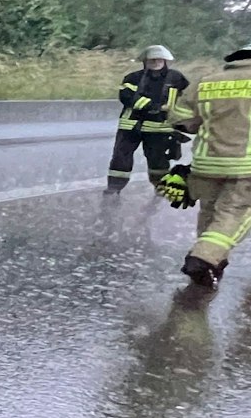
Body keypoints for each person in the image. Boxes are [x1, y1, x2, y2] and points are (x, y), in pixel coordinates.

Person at [161, 42, 251, 288]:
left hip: (206, 165)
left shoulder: (207, 81)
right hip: (246, 167)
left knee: (210, 215)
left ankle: (213, 263)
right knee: (235, 214)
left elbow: (181, 121)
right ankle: (203, 258)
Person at [106, 45, 191, 193]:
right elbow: (127, 97)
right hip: (131, 126)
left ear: (165, 60)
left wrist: (182, 119)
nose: (156, 62)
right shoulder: (133, 78)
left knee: (158, 162)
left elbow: (188, 98)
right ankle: (114, 188)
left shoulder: (176, 78)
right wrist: (155, 106)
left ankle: (160, 188)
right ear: (145, 61)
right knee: (121, 159)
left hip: (159, 128)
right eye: (152, 59)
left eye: (159, 59)